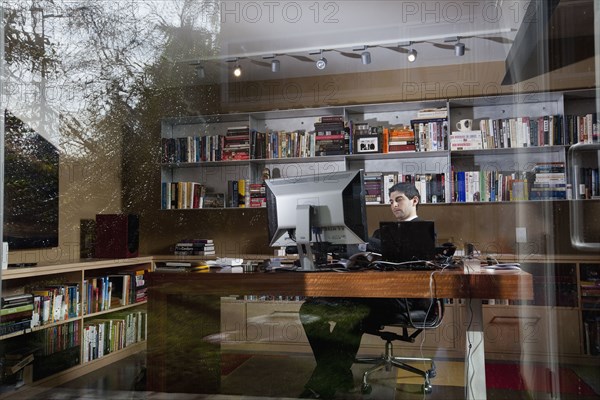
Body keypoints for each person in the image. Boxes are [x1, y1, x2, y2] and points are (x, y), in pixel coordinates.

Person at [299, 182, 433, 399]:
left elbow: (404, 255)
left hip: (403, 301)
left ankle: (320, 387)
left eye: (398, 199)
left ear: (414, 200)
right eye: (390, 201)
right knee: (309, 309)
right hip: (371, 294)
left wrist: (363, 242)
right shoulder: (381, 232)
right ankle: (337, 371)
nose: (393, 205)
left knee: (353, 313)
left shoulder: (424, 230)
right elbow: (372, 256)